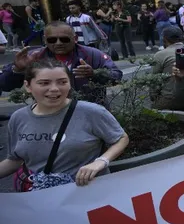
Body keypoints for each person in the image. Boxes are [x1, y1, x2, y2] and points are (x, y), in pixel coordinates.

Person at [0, 59, 129, 189]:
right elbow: (15, 159)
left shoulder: (91, 112)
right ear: (28, 86)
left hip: (88, 193)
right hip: (38, 198)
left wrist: (101, 161)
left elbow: (121, 138)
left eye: (62, 82)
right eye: (44, 83)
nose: (55, 89)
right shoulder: (18, 118)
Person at [0, 21, 122, 102]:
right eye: (52, 39)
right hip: (49, 114)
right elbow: (5, 85)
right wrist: (17, 69)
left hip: (90, 113)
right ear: (45, 40)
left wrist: (94, 74)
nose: (58, 43)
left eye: (64, 39)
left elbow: (116, 76)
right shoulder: (34, 57)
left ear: (74, 39)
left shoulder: (92, 54)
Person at [150, 26, 184, 110]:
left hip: (168, 98)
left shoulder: (160, 55)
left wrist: (154, 97)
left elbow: (154, 81)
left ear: (164, 39)